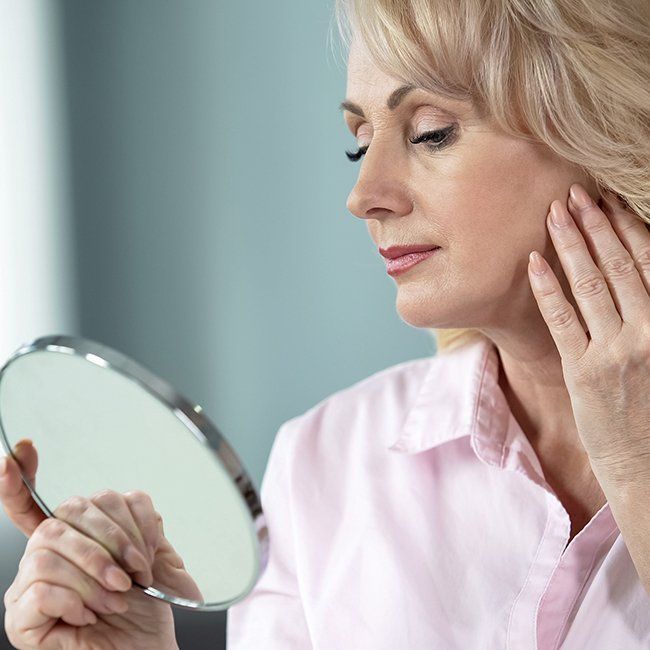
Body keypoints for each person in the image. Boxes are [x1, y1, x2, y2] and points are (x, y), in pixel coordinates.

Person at [2, 0, 649, 648]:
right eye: (358, 143)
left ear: (608, 130)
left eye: (429, 132)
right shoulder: (324, 465)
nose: (365, 192)